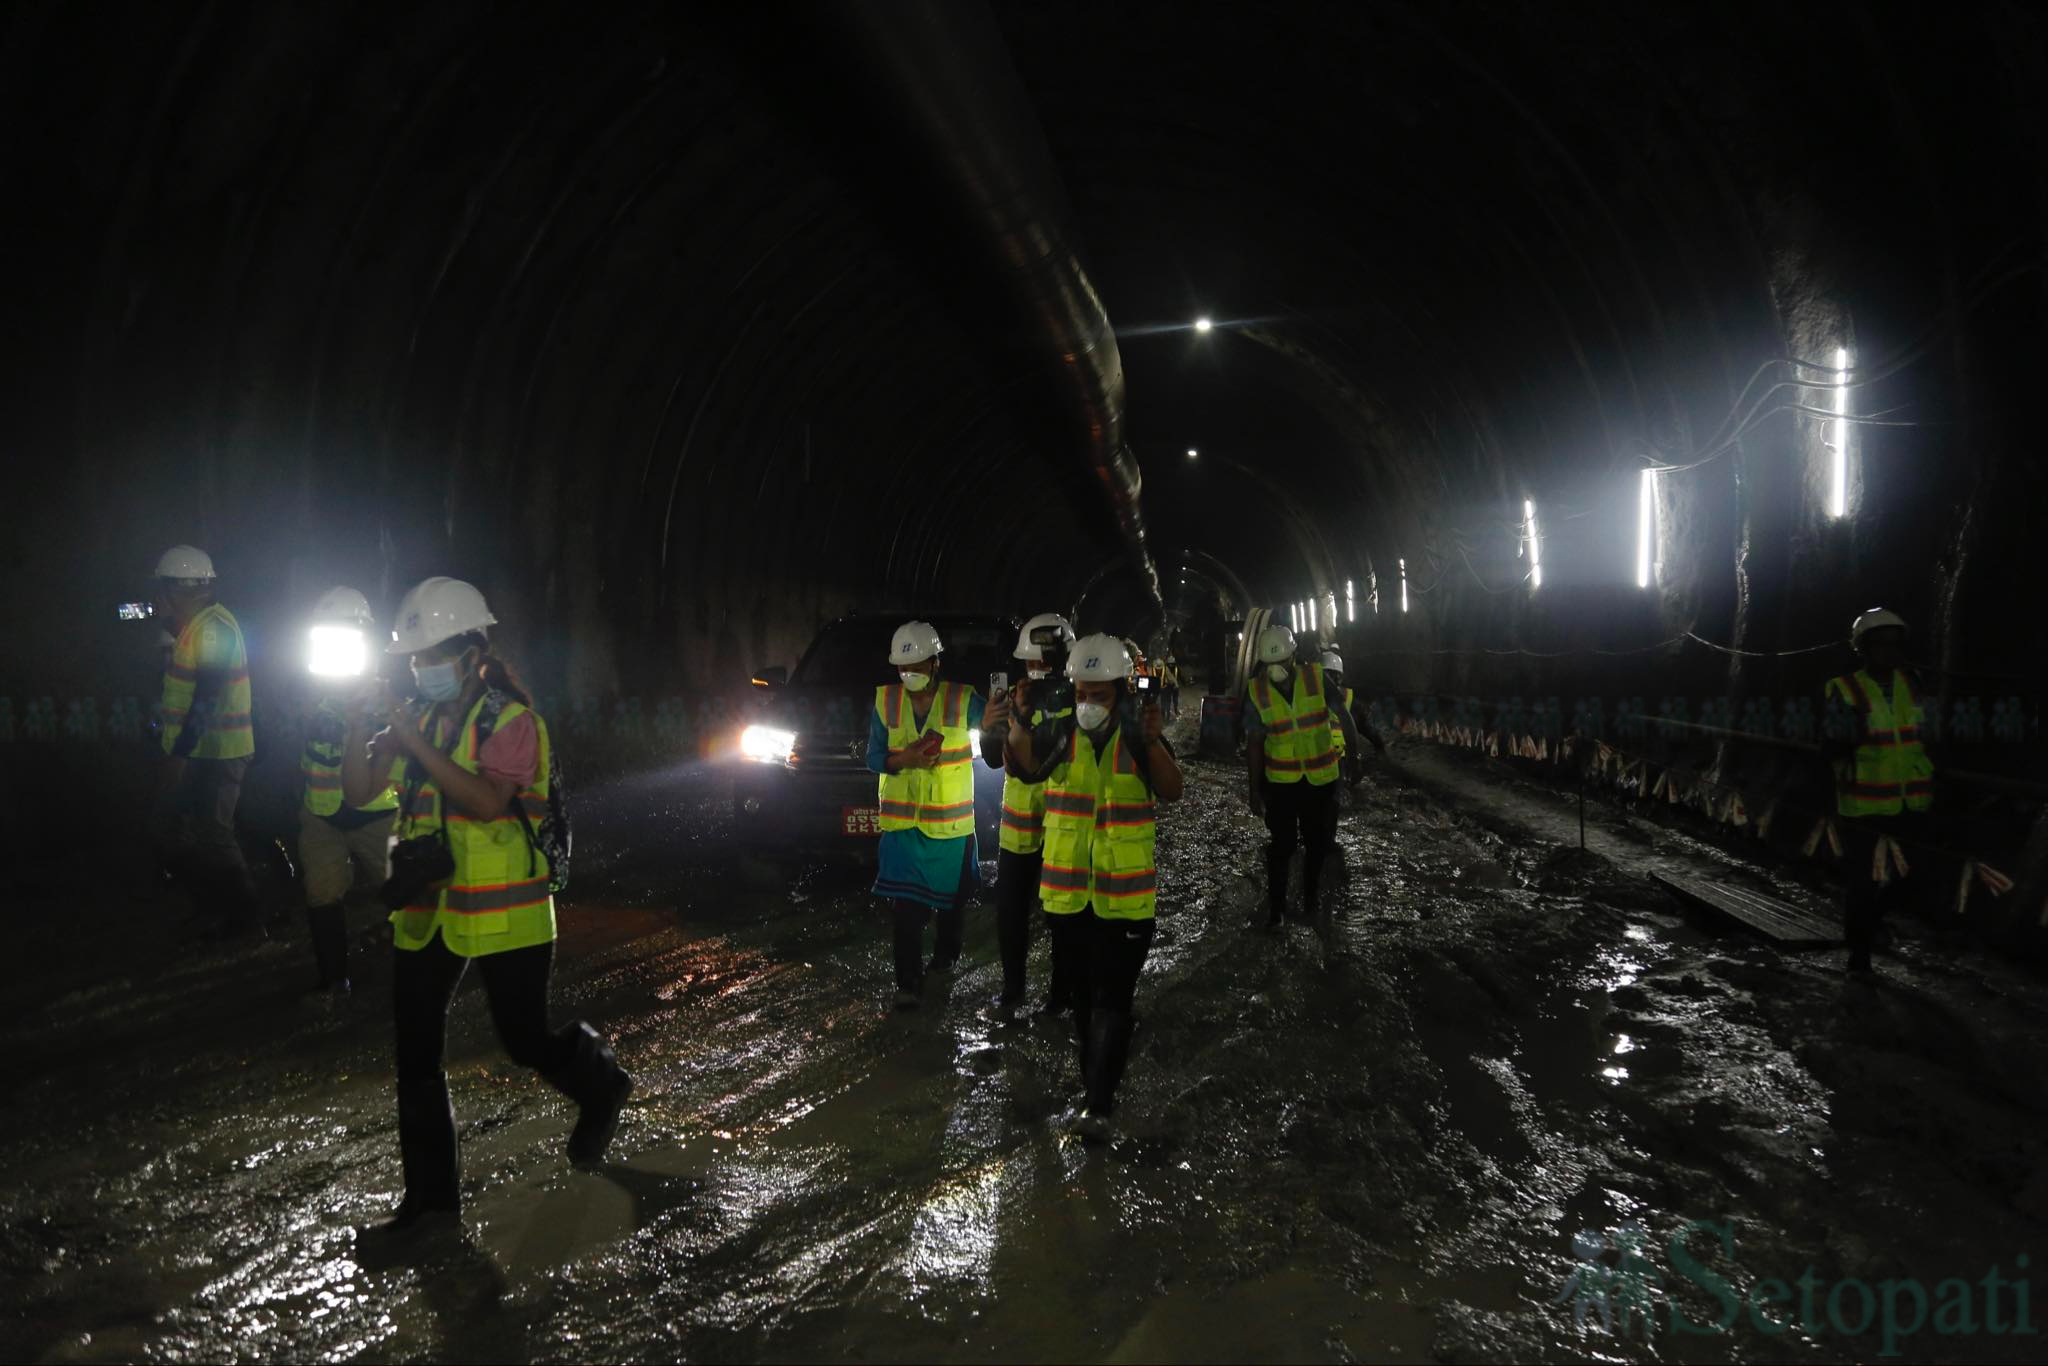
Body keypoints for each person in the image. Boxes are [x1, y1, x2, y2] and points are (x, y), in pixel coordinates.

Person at [343, 576, 631, 1235]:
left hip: (508, 911)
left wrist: (409, 737)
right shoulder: (418, 719)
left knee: (523, 1038)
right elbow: (361, 793)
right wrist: (364, 726)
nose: (422, 669)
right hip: (428, 910)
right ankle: (431, 1206)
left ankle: (600, 1084)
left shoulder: (513, 722)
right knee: (415, 1050)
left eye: (434, 654)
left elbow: (484, 802)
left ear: (475, 655)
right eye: (414, 658)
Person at [1006, 633, 1183, 1141]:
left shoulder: (1136, 736)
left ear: (1122, 692)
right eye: (1080, 693)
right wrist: (1018, 720)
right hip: (1069, 896)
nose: (1086, 704)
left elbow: (1173, 790)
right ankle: (1096, 1086)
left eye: (1098, 696)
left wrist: (1150, 742)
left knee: (1113, 997)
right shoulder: (1061, 735)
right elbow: (1021, 765)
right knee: (1085, 1000)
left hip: (1125, 900)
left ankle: (1098, 1105)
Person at [867, 619, 996, 1010]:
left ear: (936, 663)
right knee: (905, 911)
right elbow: (873, 757)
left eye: (918, 666)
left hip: (950, 830)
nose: (909, 674)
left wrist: (991, 724)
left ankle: (944, 961)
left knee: (951, 905)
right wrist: (904, 757)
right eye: (903, 668)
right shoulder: (885, 702)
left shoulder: (963, 699)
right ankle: (907, 984)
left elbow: (991, 732)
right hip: (903, 831)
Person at [149, 544, 260, 938]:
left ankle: (244, 918)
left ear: (182, 588)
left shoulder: (213, 629)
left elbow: (208, 695)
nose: (158, 597)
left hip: (218, 753)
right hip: (200, 752)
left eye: (164, 588)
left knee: (213, 834)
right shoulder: (195, 628)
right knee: (179, 832)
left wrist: (179, 754)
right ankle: (216, 907)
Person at [296, 587, 399, 1002]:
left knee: (406, 890)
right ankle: (334, 982)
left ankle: (428, 971)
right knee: (321, 893)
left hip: (378, 813)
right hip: (321, 813)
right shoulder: (308, 688)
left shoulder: (385, 693)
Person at [1821, 607, 1936, 976]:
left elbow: (1928, 732)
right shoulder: (1844, 688)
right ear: (1863, 649)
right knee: (1861, 883)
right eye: (1881, 644)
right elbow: (1832, 744)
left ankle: (1870, 925)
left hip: (1911, 798)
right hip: (1863, 801)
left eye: (1895, 644)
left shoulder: (1914, 682)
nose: (1890, 651)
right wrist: (1848, 733)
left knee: (1912, 875)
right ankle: (1860, 957)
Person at [982, 612, 1076, 1022]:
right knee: (1011, 913)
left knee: (1061, 915)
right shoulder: (1013, 700)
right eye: (1030, 663)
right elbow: (990, 758)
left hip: (1061, 826)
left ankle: (1060, 997)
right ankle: (1013, 990)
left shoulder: (1079, 701)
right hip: (1020, 831)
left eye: (1043, 663)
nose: (1035, 671)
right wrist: (990, 726)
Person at [1245, 623, 1360, 928]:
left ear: (1293, 656)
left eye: (1281, 662)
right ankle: (1277, 910)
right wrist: (1254, 789)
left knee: (1317, 843)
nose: (1276, 670)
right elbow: (1254, 743)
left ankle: (1310, 896)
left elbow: (1345, 717)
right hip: (1281, 784)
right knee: (1281, 846)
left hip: (1320, 780)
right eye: (1270, 665)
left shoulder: (1316, 678)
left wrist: (1355, 759)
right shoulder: (1256, 692)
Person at [1320, 648, 1387, 786]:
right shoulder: (1309, 700)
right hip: (1331, 765)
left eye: (1328, 676)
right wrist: (1380, 749)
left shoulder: (1347, 700)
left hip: (1337, 765)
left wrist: (1380, 749)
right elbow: (1369, 731)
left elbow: (1368, 730)